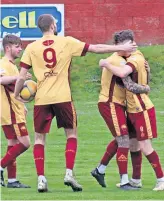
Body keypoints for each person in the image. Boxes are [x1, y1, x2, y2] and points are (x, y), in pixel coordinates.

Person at [14, 14, 137, 193]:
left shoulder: (31, 48)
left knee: (40, 138)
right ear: (53, 26)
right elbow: (96, 48)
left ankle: (41, 179)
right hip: (63, 97)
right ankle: (69, 173)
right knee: (71, 135)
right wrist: (120, 47)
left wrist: (17, 95)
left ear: (40, 28)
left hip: (42, 99)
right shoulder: (66, 42)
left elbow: (21, 75)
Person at [99, 30, 164, 191]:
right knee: (133, 145)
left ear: (131, 44)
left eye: (123, 45)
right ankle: (136, 179)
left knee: (144, 145)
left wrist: (105, 63)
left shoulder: (135, 58)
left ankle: (161, 179)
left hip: (142, 108)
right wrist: (147, 78)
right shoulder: (127, 58)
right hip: (132, 109)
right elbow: (142, 78)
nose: (119, 48)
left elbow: (125, 78)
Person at [91, 30, 150, 190]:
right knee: (124, 139)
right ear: (120, 45)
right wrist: (145, 87)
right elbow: (128, 82)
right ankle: (124, 181)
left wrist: (145, 68)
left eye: (133, 43)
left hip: (119, 103)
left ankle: (100, 169)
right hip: (110, 103)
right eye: (130, 44)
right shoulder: (116, 60)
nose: (133, 46)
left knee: (125, 138)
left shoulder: (126, 58)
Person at [0, 34, 31, 188]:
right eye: (17, 46)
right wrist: (19, 77)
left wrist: (22, 104)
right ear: (8, 47)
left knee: (12, 143)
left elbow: (13, 89)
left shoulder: (12, 65)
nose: (20, 49)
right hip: (10, 113)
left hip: (15, 110)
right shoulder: (3, 63)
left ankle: (12, 180)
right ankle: (0, 166)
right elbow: (1, 80)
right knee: (25, 143)